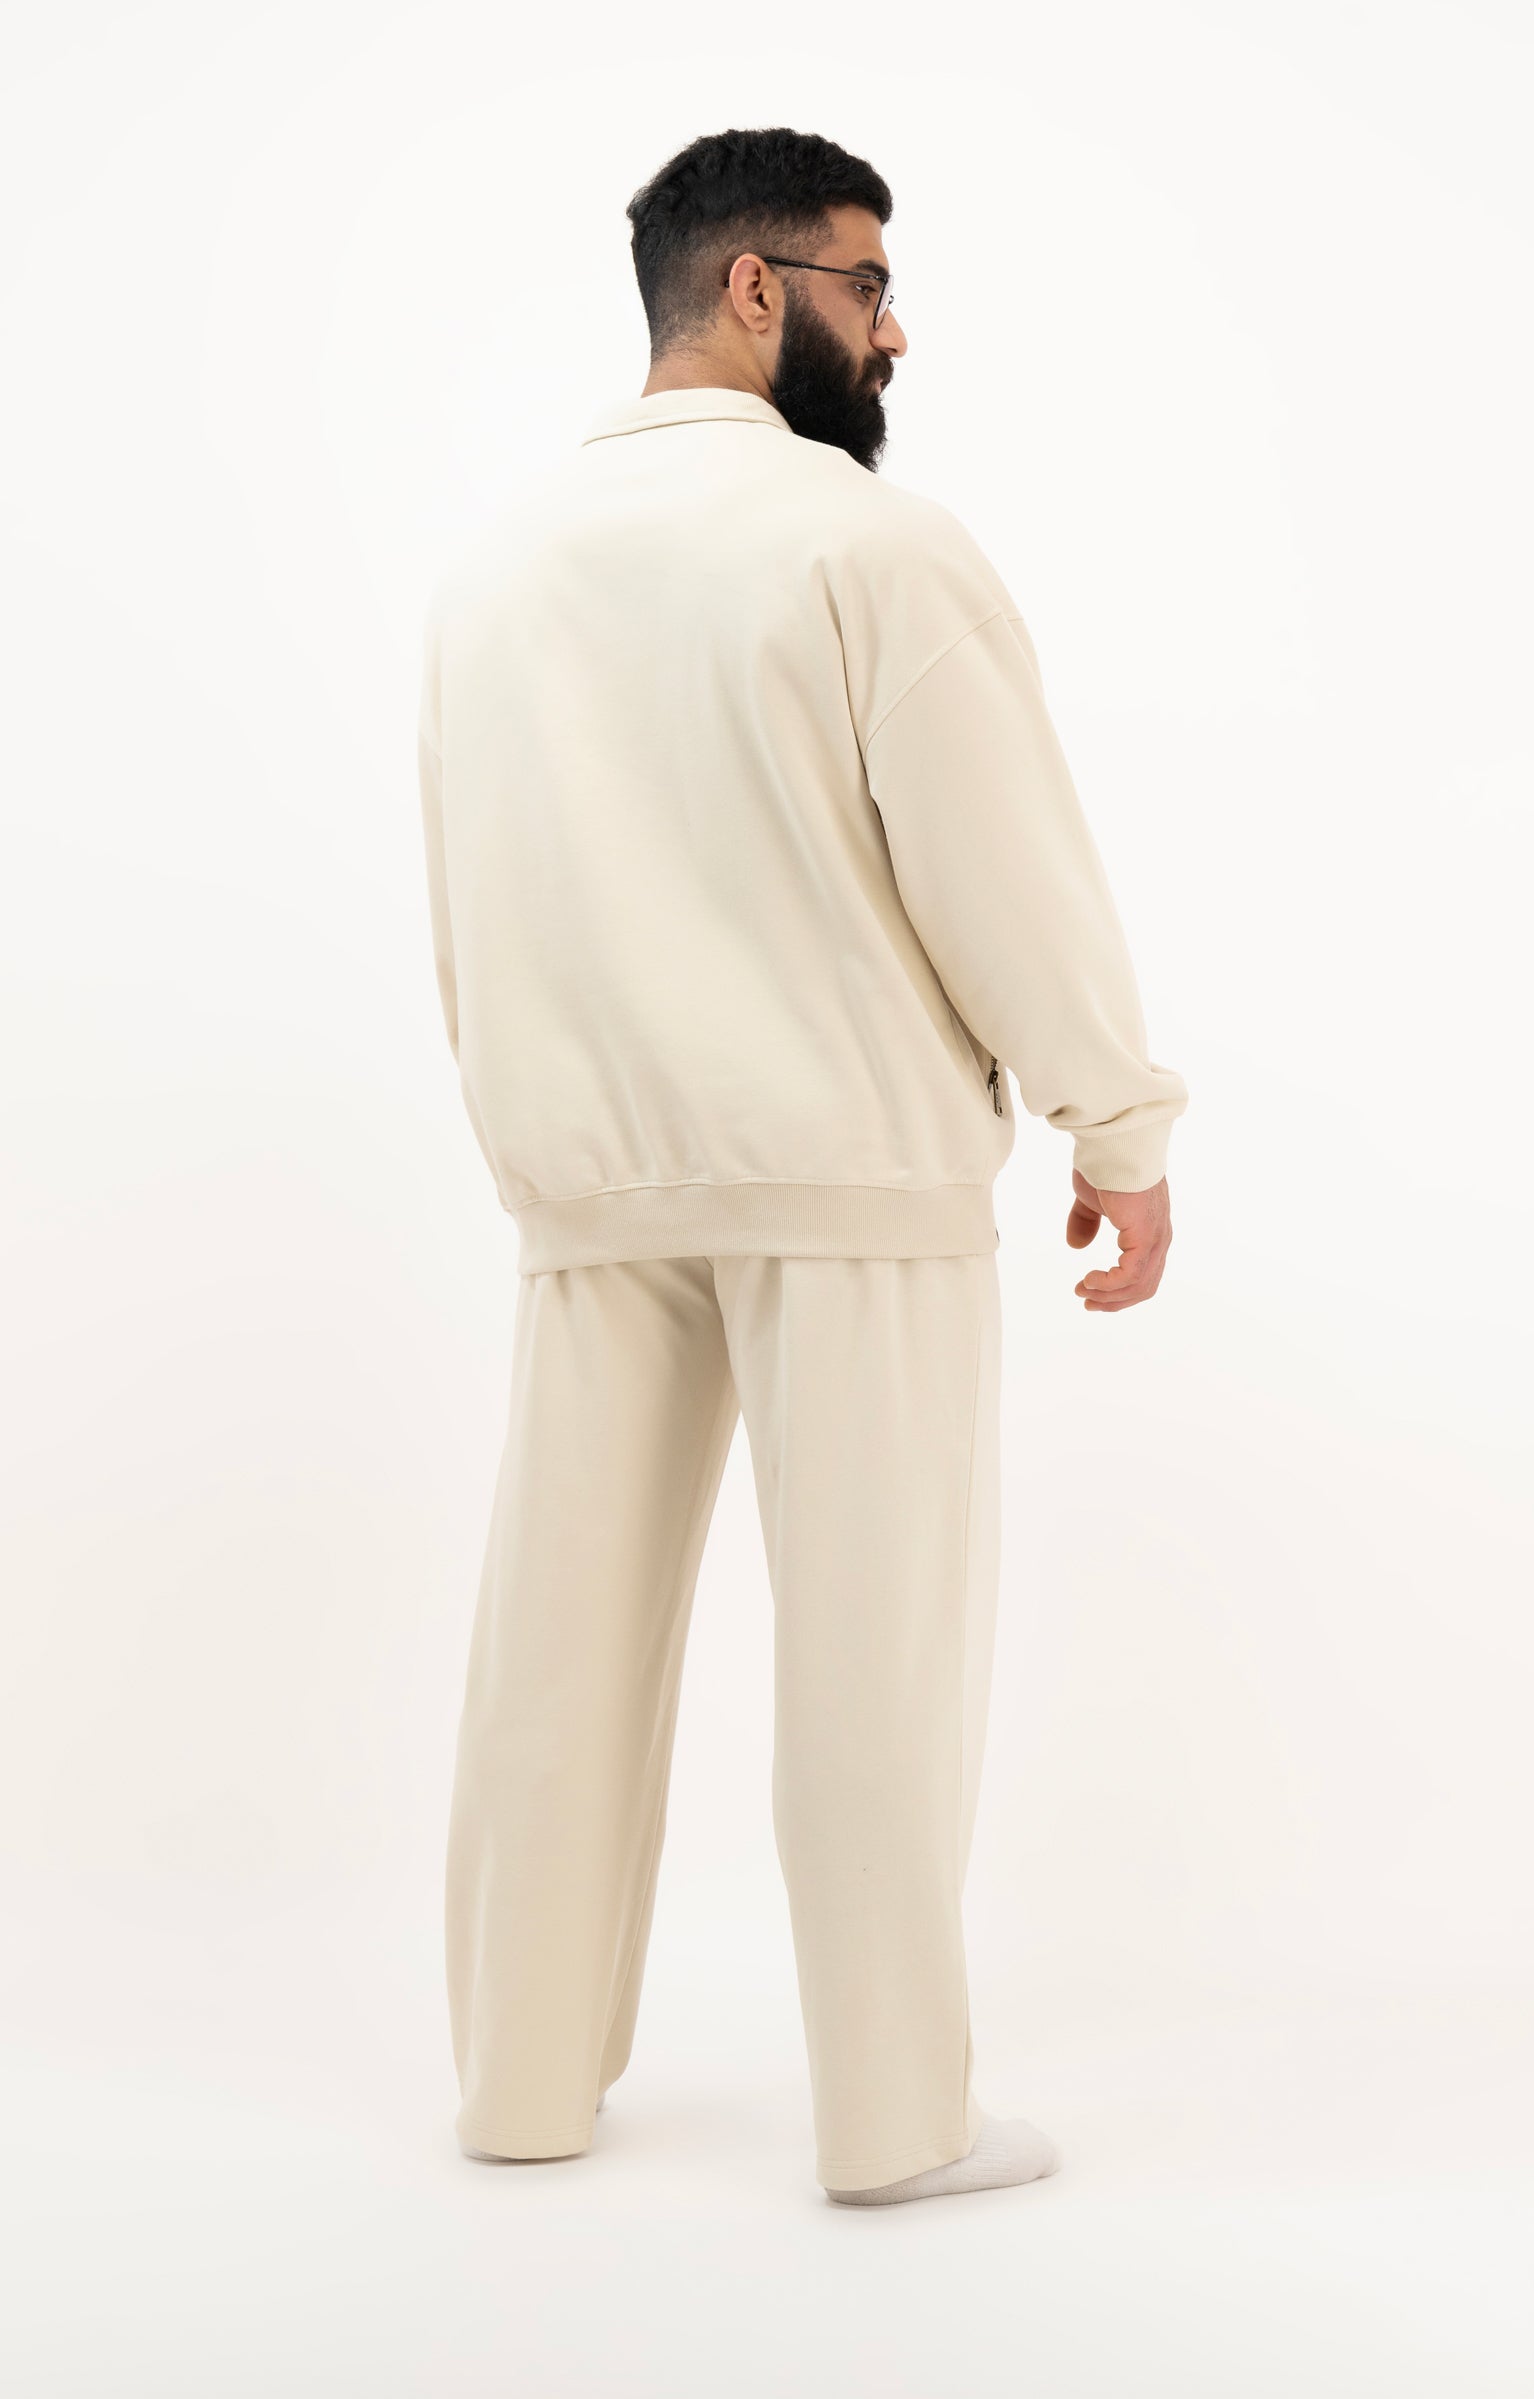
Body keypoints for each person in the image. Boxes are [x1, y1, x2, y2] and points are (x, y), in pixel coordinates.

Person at [416, 125, 1189, 2208]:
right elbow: (1000, 871)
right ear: (753, 289)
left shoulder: (496, 570)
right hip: (845, 1180)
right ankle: (892, 2119)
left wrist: (541, 1150)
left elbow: (469, 898)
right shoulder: (868, 549)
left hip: (591, 1191)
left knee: (556, 1658)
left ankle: (519, 2087)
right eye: (867, 282)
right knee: (875, 1659)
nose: (895, 327)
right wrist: (1113, 1122)